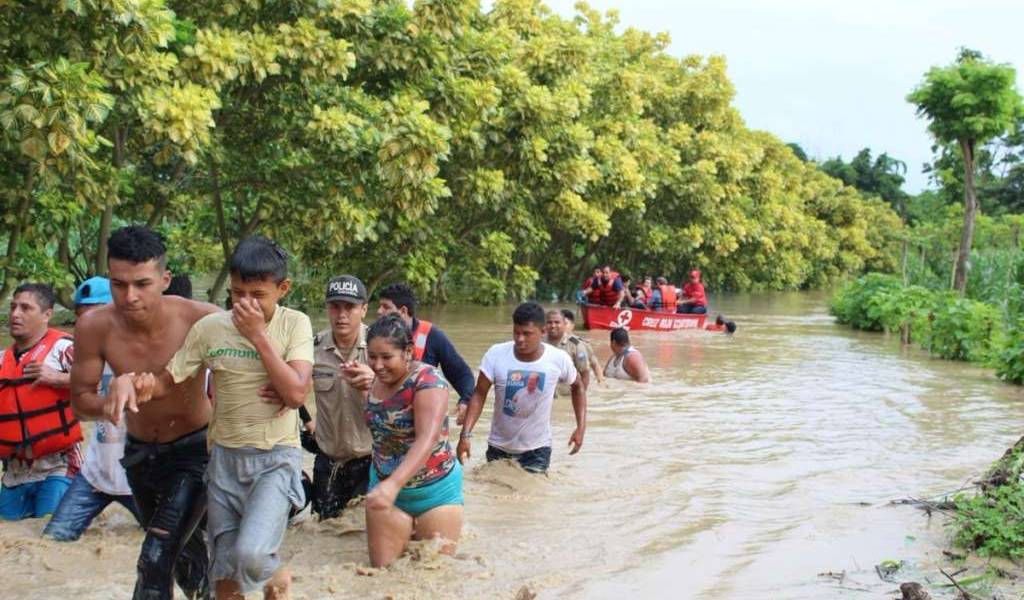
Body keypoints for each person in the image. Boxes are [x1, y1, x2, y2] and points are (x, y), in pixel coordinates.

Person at [109, 236, 313, 600]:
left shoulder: (294, 324)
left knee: (250, 555)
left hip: (275, 459)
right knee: (224, 578)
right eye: (237, 293)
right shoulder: (210, 329)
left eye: (257, 294)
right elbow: (168, 381)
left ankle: (276, 572)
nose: (245, 304)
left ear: (282, 289)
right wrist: (139, 384)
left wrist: (258, 337)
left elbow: (296, 393)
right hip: (223, 462)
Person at [71, 225, 218, 600]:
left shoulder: (202, 318)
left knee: (154, 556)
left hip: (193, 453)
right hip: (139, 455)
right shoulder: (94, 325)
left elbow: (256, 367)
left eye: (142, 283)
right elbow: (80, 403)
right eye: (119, 284)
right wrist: (111, 398)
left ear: (164, 279)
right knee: (181, 556)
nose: (129, 296)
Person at [43, 277, 141, 541]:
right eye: (81, 318)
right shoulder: (85, 358)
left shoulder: (143, 351)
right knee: (52, 541)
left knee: (170, 546)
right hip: (95, 476)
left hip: (139, 477)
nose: (87, 325)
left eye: (94, 315)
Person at [363, 315, 463, 567]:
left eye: (386, 357)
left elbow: (427, 439)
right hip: (385, 488)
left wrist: (393, 485)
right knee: (382, 576)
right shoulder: (372, 379)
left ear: (408, 352)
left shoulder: (428, 381)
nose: (378, 365)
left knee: (433, 579)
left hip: (435, 492)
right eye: (372, 356)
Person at [458, 302, 586, 474]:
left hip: (537, 449)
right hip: (498, 446)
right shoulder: (496, 354)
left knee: (531, 497)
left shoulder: (558, 359)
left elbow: (578, 387)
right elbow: (479, 394)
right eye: (516, 332)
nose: (520, 339)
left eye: (527, 334)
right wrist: (465, 434)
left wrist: (580, 427)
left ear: (542, 332)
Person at [0, 283, 82, 521]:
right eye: (13, 307)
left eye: (26, 308)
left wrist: (57, 377)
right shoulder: (2, 359)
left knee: (51, 535)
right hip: (16, 471)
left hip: (59, 465)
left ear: (47, 315)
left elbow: (102, 382)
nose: (15, 314)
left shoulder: (64, 348)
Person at [303, 275, 375, 520]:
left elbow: (408, 396)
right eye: (335, 306)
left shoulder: (381, 348)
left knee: (362, 538)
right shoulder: (311, 348)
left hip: (371, 462)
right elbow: (292, 389)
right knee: (321, 535)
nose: (341, 314)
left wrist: (375, 381)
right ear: (327, 308)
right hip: (327, 463)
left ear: (364, 309)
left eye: (350, 307)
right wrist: (306, 421)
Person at [376, 283, 475, 425]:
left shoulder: (432, 336)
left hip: (422, 417)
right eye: (380, 306)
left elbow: (462, 374)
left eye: (385, 307)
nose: (379, 311)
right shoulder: (376, 336)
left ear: (403, 311)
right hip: (386, 419)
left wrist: (465, 401)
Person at [544, 310, 593, 393]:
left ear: (563, 324)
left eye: (557, 322)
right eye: (549, 322)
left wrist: (581, 396)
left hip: (566, 394)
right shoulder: (539, 343)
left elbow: (585, 373)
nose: (553, 325)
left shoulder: (576, 344)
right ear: (545, 325)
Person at [559, 309, 604, 385]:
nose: (562, 327)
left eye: (565, 324)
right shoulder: (548, 342)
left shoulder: (579, 344)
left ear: (573, 326)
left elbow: (595, 364)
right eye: (560, 323)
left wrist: (601, 382)